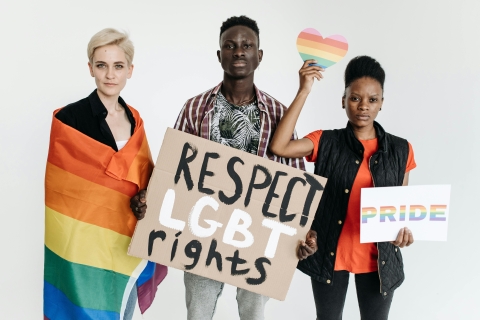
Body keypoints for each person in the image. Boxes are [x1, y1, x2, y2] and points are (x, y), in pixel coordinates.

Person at [130, 15, 317, 320]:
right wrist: (149, 199)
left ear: (259, 55)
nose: (239, 51)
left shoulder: (279, 112)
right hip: (202, 234)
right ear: (220, 56)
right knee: (199, 313)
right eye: (230, 46)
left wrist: (304, 233)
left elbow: (296, 178)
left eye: (247, 45)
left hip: (260, 240)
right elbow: (172, 167)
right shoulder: (195, 108)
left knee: (254, 313)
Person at [269, 56, 416, 320]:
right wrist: (304, 89)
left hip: (378, 259)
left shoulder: (401, 149)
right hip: (329, 255)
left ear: (382, 103)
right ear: (343, 100)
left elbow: (400, 210)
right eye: (355, 98)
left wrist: (403, 232)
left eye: (373, 99)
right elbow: (280, 147)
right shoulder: (325, 141)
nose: (364, 107)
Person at [44, 28, 166, 320]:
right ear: (91, 69)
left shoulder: (135, 120)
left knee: (122, 310)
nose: (110, 74)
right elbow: (62, 187)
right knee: (82, 310)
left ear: (130, 71)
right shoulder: (68, 119)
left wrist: (147, 197)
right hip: (83, 241)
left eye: (118, 66)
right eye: (102, 65)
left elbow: (145, 177)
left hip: (125, 235)